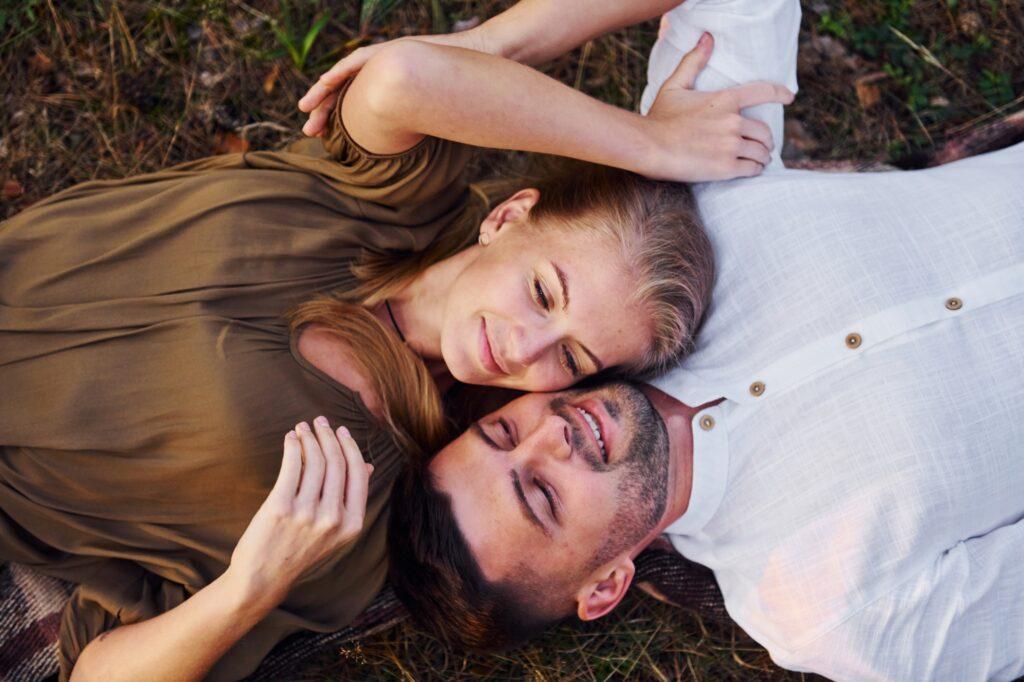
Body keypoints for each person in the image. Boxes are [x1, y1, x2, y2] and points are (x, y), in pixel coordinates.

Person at [0, 1, 796, 679]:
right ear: (508, 216)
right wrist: (648, 144)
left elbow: (98, 670)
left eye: (572, 358)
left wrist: (249, 586)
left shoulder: (356, 504)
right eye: (543, 291)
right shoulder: (384, 200)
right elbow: (405, 79)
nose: (522, 348)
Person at [385, 2, 1024, 679]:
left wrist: (508, 59)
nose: (554, 436)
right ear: (605, 585)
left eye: (505, 434)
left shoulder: (671, 247)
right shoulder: (835, 614)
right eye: (543, 494)